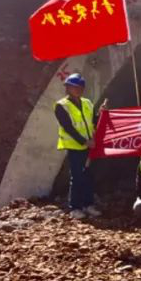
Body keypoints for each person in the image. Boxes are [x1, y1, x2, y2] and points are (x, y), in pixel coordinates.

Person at [55, 72, 100, 218]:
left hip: (88, 146)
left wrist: (101, 113)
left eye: (80, 87)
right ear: (68, 88)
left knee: (88, 176)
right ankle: (75, 207)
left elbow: (94, 121)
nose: (77, 90)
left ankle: (88, 205)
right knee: (77, 177)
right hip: (75, 146)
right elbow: (68, 127)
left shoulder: (87, 103)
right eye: (74, 87)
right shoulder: (62, 106)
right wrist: (85, 141)